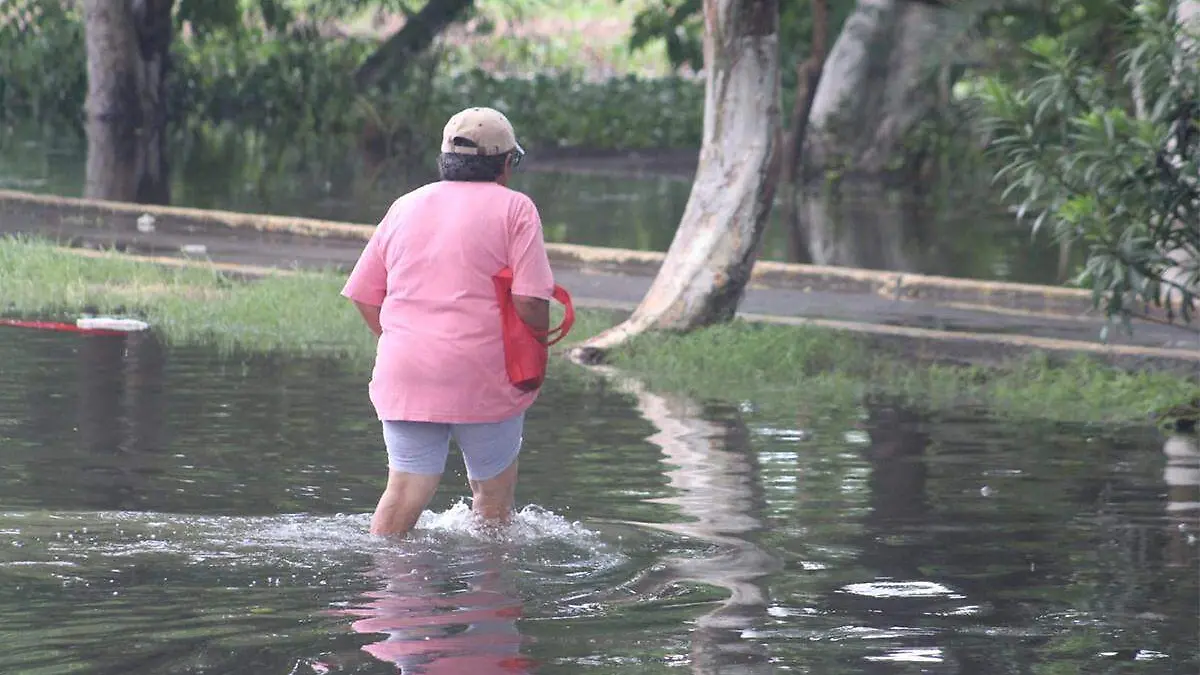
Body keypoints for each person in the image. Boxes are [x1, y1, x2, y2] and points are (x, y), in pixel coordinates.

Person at [341, 107, 555, 537]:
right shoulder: (517, 210)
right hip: (485, 374)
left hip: (407, 373)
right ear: (505, 164)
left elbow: (365, 295)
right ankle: (487, 598)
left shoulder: (406, 205)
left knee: (402, 493)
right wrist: (536, 344)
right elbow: (531, 301)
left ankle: (383, 590)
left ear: (444, 159)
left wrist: (406, 340)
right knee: (492, 502)